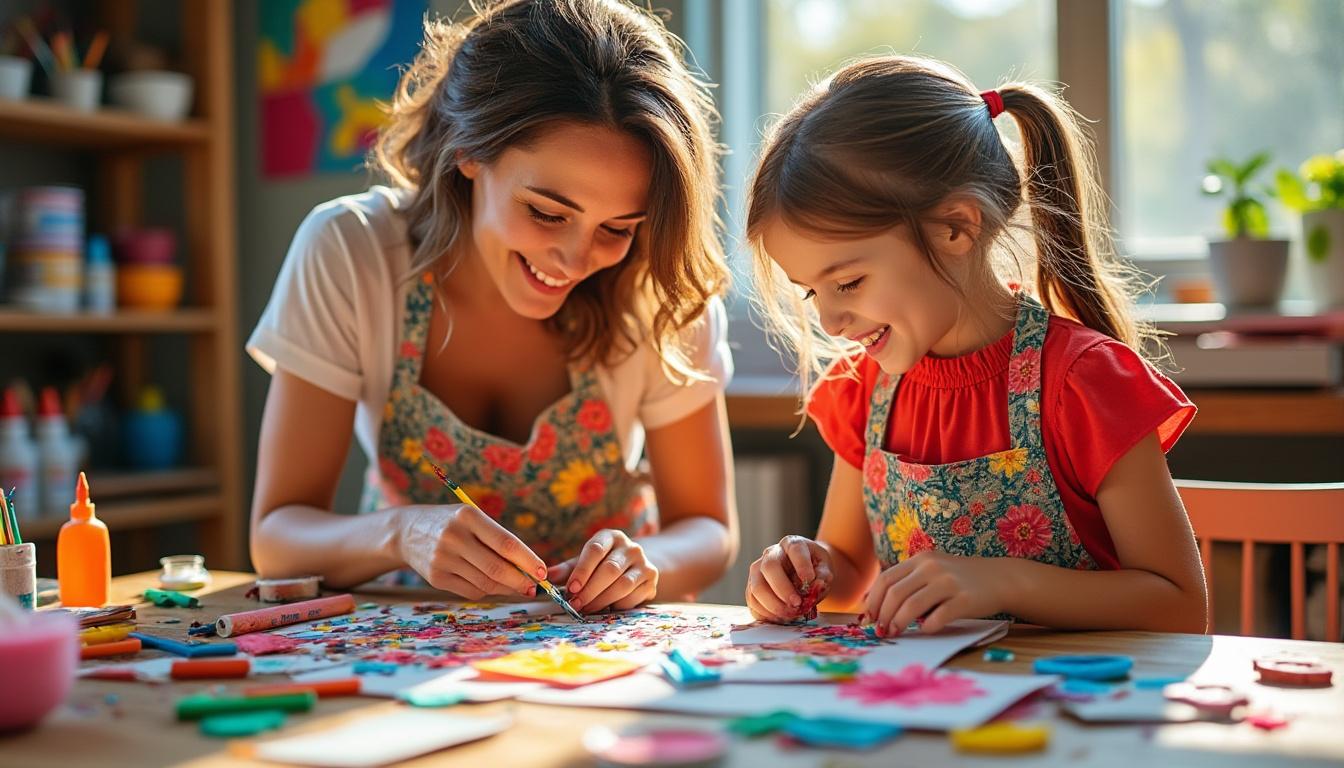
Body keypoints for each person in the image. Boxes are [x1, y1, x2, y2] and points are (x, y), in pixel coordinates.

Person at [247, 0, 738, 614]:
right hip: (411, 629)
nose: (573, 259)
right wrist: (403, 532)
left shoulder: (656, 285)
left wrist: (647, 562)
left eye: (617, 227)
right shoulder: (350, 252)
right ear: (469, 152)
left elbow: (709, 530)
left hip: (599, 638)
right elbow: (276, 537)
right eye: (547, 213)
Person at [744, 55, 1207, 635]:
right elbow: (846, 573)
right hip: (929, 706)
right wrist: (802, 575)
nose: (833, 322)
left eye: (849, 283)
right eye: (813, 293)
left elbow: (1182, 606)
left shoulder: (1081, 382)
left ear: (954, 228)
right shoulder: (863, 387)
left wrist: (1003, 580)